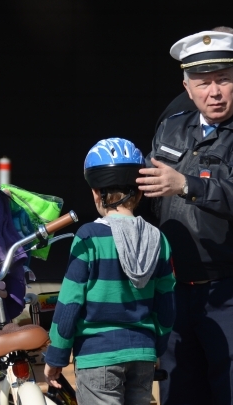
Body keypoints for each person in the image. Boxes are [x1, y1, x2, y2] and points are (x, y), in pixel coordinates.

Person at [137, 28, 233, 404]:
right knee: (179, 391)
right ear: (187, 87)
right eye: (203, 83)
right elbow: (150, 187)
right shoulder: (172, 126)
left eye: (222, 80)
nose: (213, 92)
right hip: (176, 287)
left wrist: (186, 184)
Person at [44, 138, 176, 405]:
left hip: (98, 356)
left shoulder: (89, 237)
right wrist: (157, 348)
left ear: (96, 193)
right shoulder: (158, 239)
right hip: (143, 355)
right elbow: (167, 307)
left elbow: (69, 304)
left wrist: (56, 357)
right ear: (139, 193)